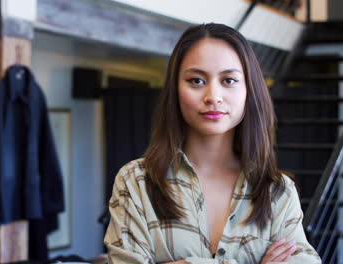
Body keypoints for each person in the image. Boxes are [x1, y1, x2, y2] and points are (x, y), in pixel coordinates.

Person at [104, 23, 321, 264]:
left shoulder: (277, 190)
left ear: (249, 90)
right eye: (196, 80)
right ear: (175, 91)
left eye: (229, 80)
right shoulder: (136, 182)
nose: (213, 97)